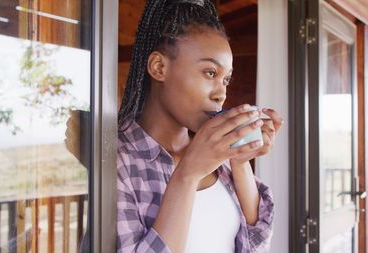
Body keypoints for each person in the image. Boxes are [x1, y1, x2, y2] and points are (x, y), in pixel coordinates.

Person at [116, 0, 283, 252]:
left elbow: (255, 245)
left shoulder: (217, 153)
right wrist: (187, 174)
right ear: (159, 67)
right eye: (210, 73)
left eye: (226, 79)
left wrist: (239, 161)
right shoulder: (118, 161)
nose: (221, 94)